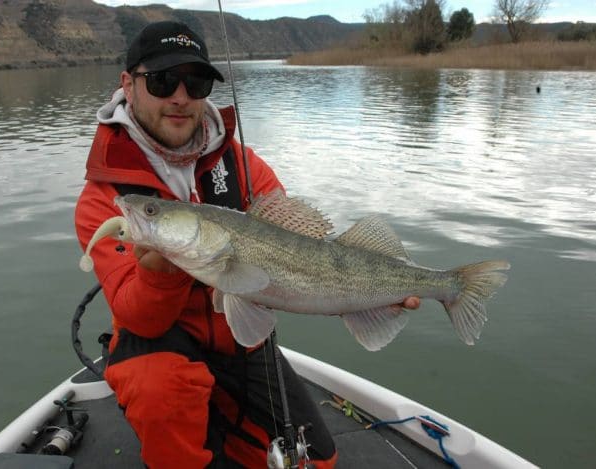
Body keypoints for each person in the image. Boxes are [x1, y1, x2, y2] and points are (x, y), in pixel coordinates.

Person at [75, 21, 420, 468]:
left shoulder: (243, 165)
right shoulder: (107, 199)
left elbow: (304, 251)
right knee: (161, 390)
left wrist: (361, 297)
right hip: (159, 347)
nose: (180, 96)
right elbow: (137, 315)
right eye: (162, 81)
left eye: (195, 82)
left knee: (315, 460)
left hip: (242, 341)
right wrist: (160, 271)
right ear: (128, 85)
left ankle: (224, 422)